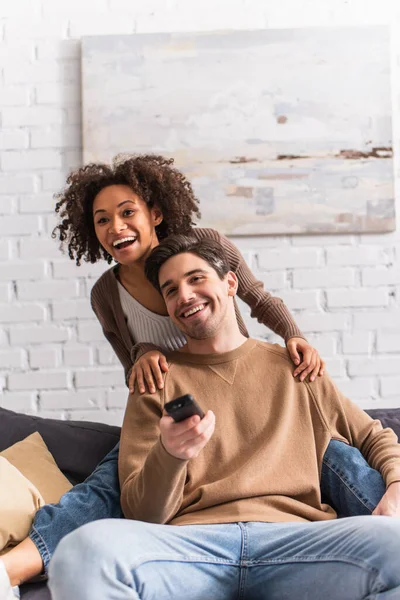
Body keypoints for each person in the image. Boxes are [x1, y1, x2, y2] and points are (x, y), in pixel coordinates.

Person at [0, 155, 384, 596]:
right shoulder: (108, 292)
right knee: (105, 485)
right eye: (102, 219)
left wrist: (294, 338)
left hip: (258, 395)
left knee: (343, 457)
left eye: (127, 212)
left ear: (155, 213)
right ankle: (17, 566)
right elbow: (137, 369)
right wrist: (145, 357)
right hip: (180, 407)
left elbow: (259, 298)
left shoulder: (206, 246)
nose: (115, 226)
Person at [48, 235, 400, 600]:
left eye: (196, 278)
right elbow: (142, 514)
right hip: (191, 548)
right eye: (170, 290)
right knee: (80, 552)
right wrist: (170, 455)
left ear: (230, 283)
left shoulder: (295, 368)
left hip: (295, 542)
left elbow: (373, 435)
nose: (184, 295)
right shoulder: (154, 382)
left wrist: (396, 484)